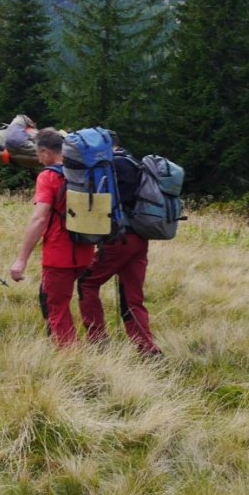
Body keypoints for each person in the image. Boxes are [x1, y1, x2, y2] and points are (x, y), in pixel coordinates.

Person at [77, 131, 163, 357]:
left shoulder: (111, 166)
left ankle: (97, 341)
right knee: (132, 298)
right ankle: (147, 349)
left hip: (119, 239)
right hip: (140, 238)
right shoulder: (135, 164)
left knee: (87, 283)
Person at [9, 127, 96, 346]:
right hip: (86, 250)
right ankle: (97, 345)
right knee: (79, 300)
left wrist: (21, 259)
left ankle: (70, 361)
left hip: (59, 254)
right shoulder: (83, 172)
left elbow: (39, 219)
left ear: (47, 152)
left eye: (38, 154)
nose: (38, 159)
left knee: (57, 308)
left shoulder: (48, 177)